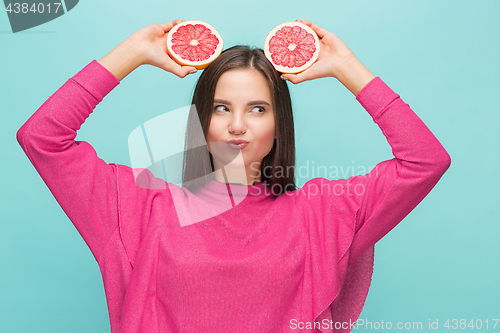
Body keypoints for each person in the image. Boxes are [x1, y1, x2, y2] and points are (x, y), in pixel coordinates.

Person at [17, 19, 451, 333]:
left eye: (257, 109)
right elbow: (42, 138)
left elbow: (425, 162)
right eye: (222, 108)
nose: (237, 126)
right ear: (201, 119)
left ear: (279, 124)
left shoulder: (323, 212)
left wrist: (347, 68)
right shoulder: (139, 205)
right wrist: (130, 52)